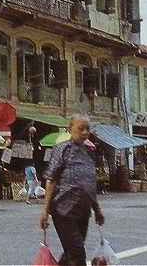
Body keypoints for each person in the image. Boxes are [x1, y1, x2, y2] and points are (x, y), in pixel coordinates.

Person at [40, 114, 105, 266]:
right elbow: (51, 180)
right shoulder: (62, 149)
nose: (84, 132)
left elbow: (90, 184)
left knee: (71, 254)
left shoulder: (89, 152)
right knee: (78, 253)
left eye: (87, 129)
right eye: (80, 128)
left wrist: (97, 209)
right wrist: (45, 210)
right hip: (63, 211)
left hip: (83, 212)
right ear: (70, 129)